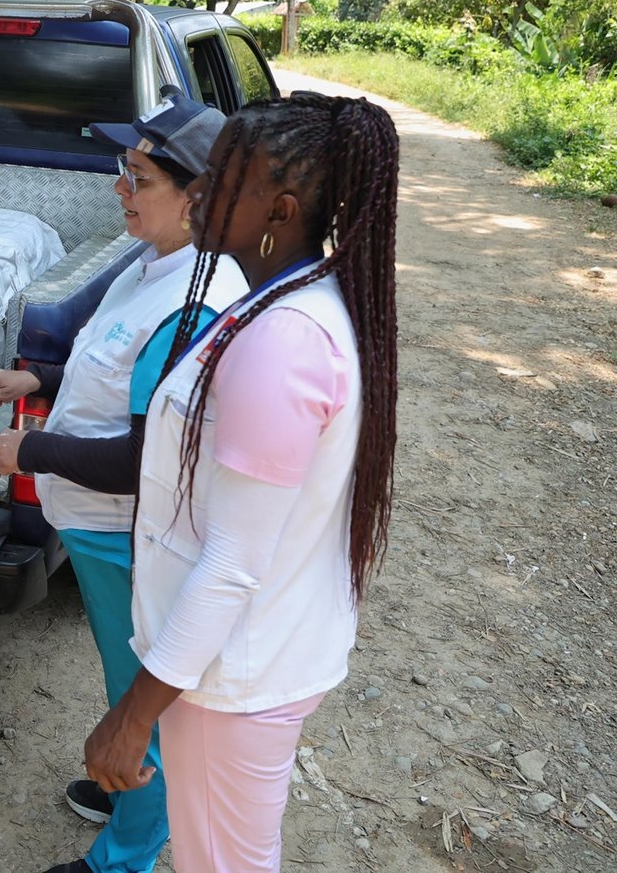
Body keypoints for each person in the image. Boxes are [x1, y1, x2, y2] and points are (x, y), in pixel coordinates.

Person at [82, 92, 400, 871]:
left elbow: (233, 560)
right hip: (236, 661)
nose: (195, 192)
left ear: (280, 210)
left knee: (221, 862)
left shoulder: (284, 340)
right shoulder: (273, 300)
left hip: (236, 674)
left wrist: (133, 715)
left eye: (221, 179)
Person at [0, 89, 246, 873]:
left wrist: (30, 454)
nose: (119, 190)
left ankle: (125, 852)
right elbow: (115, 372)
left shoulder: (195, 304)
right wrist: (38, 380)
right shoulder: (158, 263)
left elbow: (141, 460)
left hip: (126, 528)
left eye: (138, 179)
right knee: (123, 670)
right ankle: (130, 788)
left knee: (143, 697)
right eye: (121, 171)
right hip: (98, 522)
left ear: (196, 199)